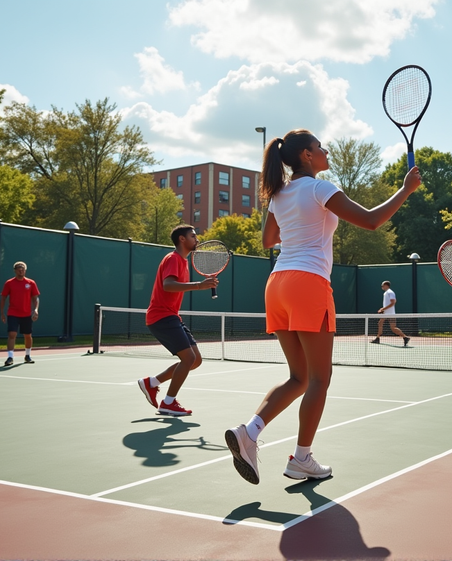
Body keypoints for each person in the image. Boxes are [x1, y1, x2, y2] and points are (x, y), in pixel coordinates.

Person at [224, 129, 422, 485]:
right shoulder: (320, 188)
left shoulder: (280, 194)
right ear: (306, 156)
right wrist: (406, 190)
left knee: (299, 377)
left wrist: (300, 227)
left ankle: (249, 431)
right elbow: (372, 220)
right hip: (308, 283)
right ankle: (301, 458)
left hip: (277, 284)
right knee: (319, 378)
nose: (326, 150)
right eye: (320, 147)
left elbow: (269, 240)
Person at [137, 225, 219, 416]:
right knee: (188, 358)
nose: (196, 239)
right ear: (182, 239)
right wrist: (200, 285)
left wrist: (202, 285)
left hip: (171, 316)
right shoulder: (173, 259)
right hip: (161, 316)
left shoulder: (182, 262)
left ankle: (152, 383)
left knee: (195, 360)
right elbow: (168, 285)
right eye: (192, 236)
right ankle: (168, 402)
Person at [0, 262, 40, 366]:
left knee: (27, 335)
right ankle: (10, 357)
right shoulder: (9, 283)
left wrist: (36, 310)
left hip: (26, 314)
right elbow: (3, 298)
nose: (20, 270)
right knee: (12, 334)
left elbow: (35, 298)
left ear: (25, 270)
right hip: (13, 313)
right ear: (15, 270)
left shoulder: (31, 283)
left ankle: (27, 355)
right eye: (18, 269)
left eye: (22, 269)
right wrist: (2, 313)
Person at [371, 280, 409, 346]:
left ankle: (405, 337)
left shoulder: (390, 292)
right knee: (380, 323)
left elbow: (393, 302)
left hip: (390, 313)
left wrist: (383, 309)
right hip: (386, 313)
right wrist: (383, 310)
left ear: (386, 285)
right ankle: (378, 338)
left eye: (382, 285)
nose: (381, 287)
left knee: (393, 328)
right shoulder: (386, 293)